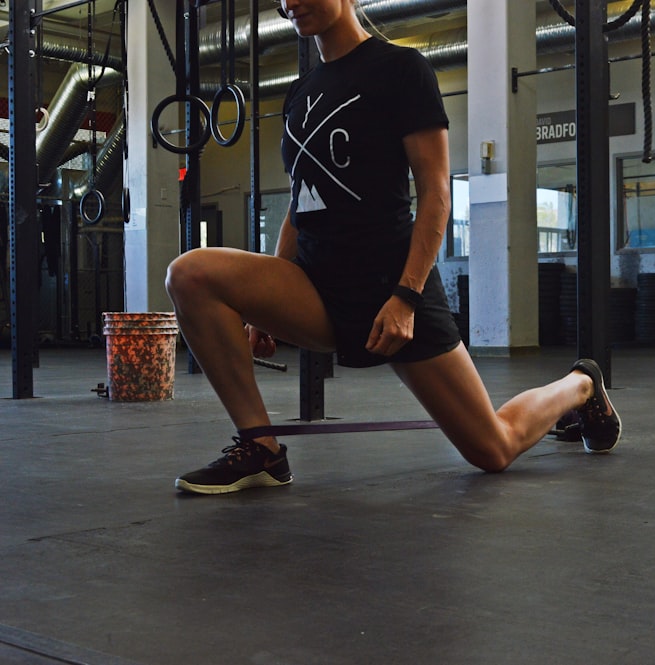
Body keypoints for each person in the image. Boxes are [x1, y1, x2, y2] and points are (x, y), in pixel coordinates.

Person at [165, 0, 621, 495]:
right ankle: (262, 449)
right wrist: (263, 306)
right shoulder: (300, 92)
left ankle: (581, 384)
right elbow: (301, 202)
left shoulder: (402, 69)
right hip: (315, 286)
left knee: (493, 448)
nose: (290, 4)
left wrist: (406, 297)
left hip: (391, 286)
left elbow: (436, 194)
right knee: (189, 273)